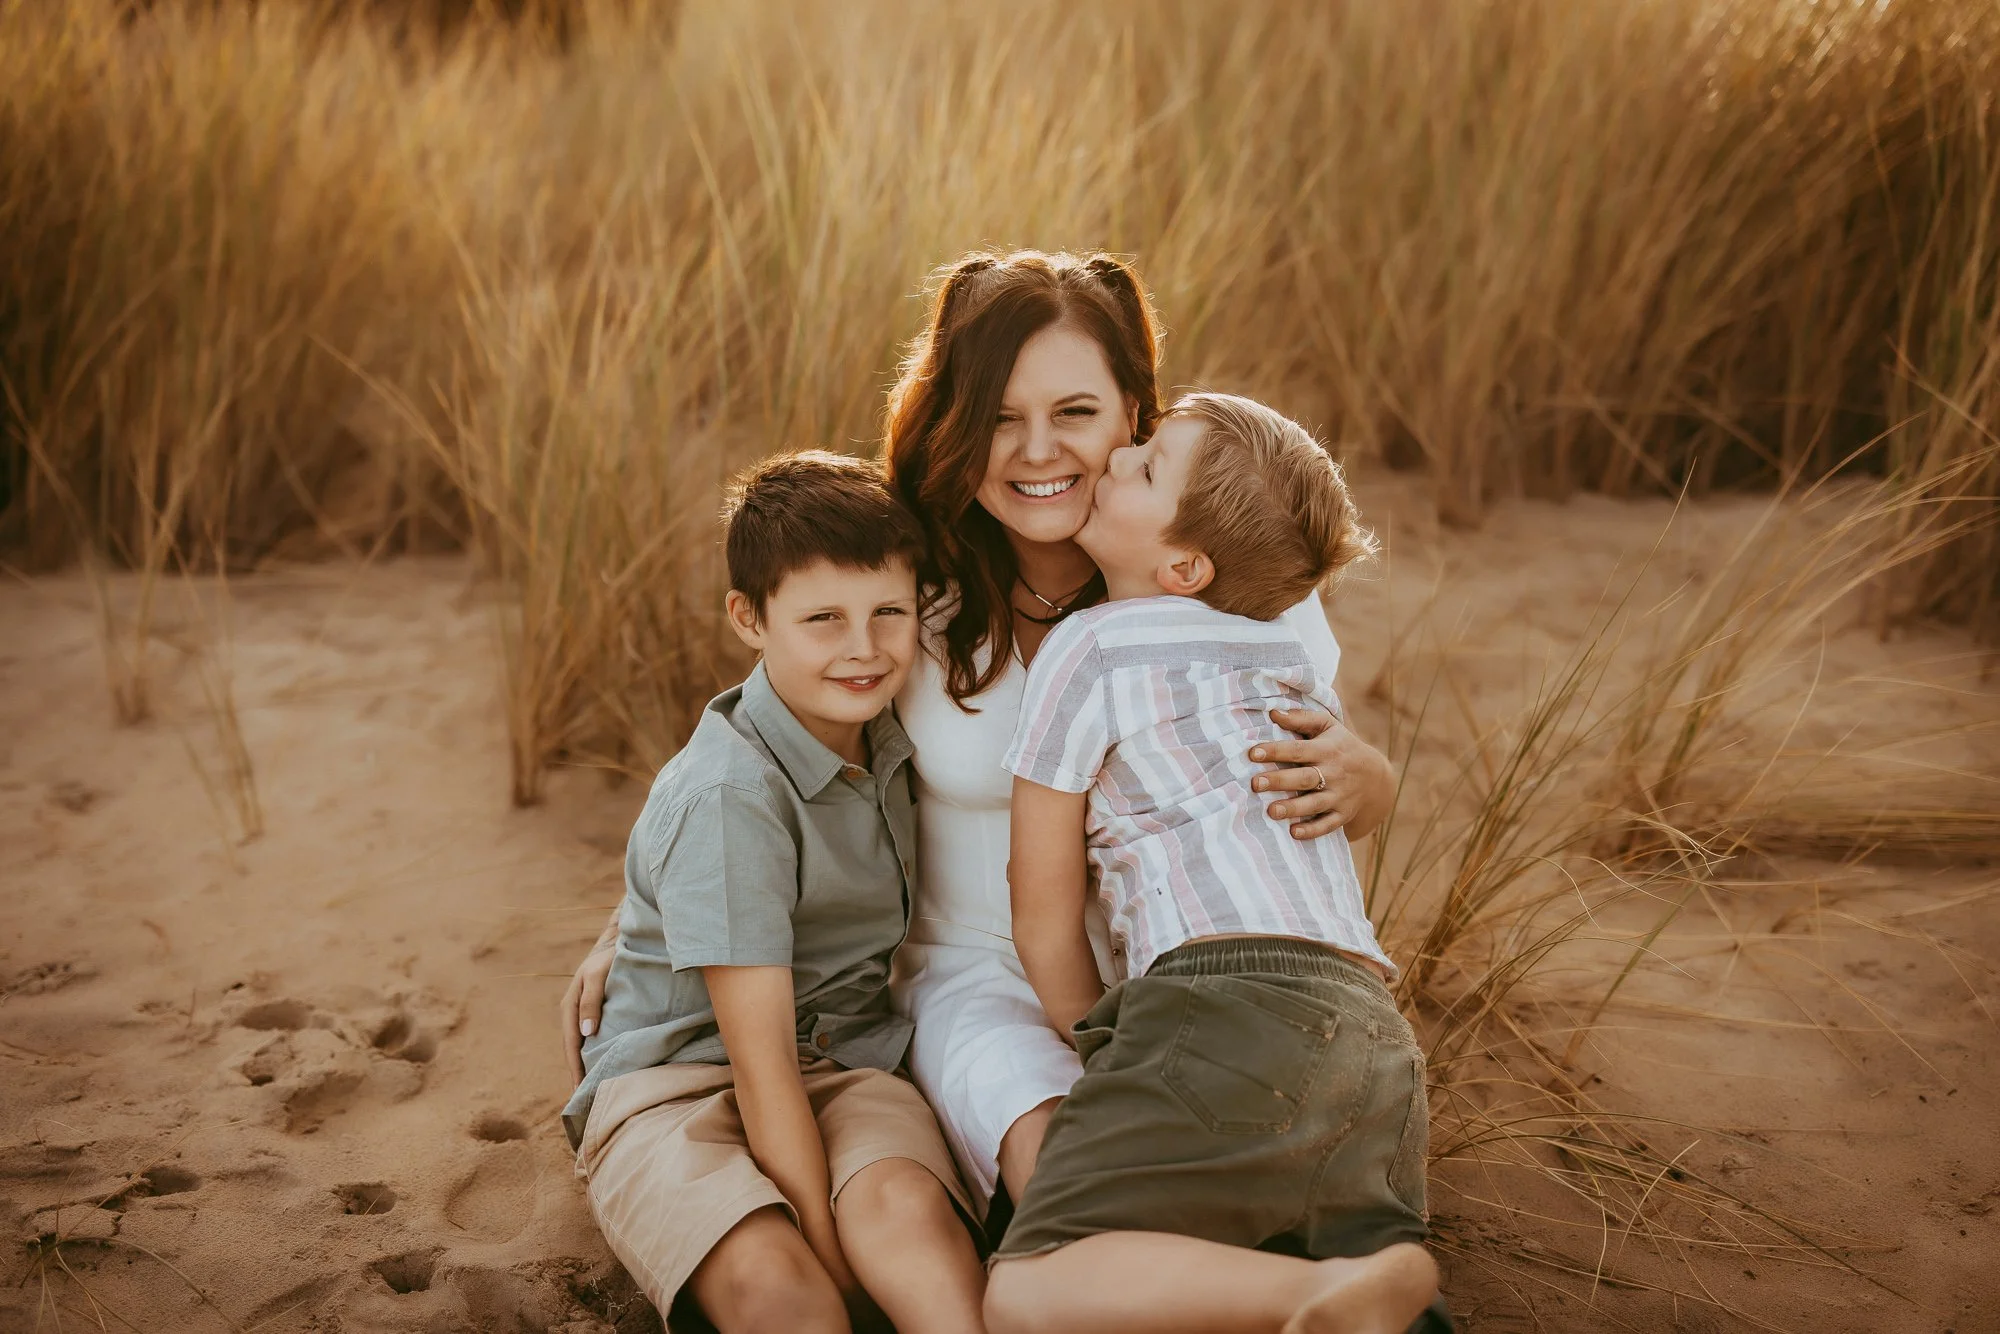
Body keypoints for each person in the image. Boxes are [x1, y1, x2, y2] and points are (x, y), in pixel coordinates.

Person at [564, 248, 1400, 1239]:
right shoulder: (911, 575)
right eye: (999, 416)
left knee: (1271, 1189)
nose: (1035, 450)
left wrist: (1373, 778)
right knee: (1065, 1167)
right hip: (974, 974)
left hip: (1193, 974)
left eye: (1075, 414)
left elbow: (1309, 772)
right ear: (954, 423)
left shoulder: (1231, 587)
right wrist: (642, 907)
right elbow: (758, 741)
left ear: (1136, 411)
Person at [983, 392, 1440, 1334]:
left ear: (1185, 565)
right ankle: (1341, 1288)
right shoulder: (1286, 658)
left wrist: (1098, 1047)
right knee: (1343, 1276)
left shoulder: (1090, 649)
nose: (1116, 460)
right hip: (1375, 1035)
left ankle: (1306, 1296)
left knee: (1029, 1289)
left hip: (1218, 1004)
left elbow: (1041, 908)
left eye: (1145, 466)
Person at [564, 451, 985, 1334]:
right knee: (782, 1289)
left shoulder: (889, 713)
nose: (864, 648)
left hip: (843, 1060)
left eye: (889, 614)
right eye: (822, 619)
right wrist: (833, 1268)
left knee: (907, 1219)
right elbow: (759, 1075)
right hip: (675, 1088)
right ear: (748, 619)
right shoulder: (730, 798)